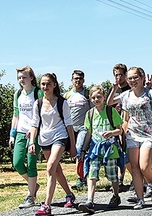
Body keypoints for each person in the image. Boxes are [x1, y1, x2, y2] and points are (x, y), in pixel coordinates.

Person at [28, 73, 76, 216]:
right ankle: (69, 195)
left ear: (54, 85)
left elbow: (69, 125)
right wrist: (32, 142)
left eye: (48, 84)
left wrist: (72, 145)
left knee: (50, 168)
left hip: (60, 137)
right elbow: (34, 125)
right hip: (44, 139)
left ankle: (47, 206)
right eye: (43, 84)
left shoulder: (62, 102)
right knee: (56, 170)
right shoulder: (38, 103)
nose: (45, 87)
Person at [120, 67, 152, 209]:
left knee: (144, 166)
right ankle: (140, 199)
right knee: (135, 167)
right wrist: (123, 134)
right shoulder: (126, 96)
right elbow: (125, 118)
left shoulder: (150, 94)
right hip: (132, 134)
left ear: (142, 78)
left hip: (148, 134)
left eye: (135, 77)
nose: (133, 81)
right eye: (130, 78)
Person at [77, 85, 124, 214]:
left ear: (104, 97)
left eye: (99, 97)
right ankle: (90, 200)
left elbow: (120, 129)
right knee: (92, 173)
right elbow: (88, 133)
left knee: (112, 174)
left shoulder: (111, 111)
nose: (96, 99)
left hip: (110, 149)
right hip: (95, 149)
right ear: (90, 99)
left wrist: (111, 132)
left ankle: (115, 195)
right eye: (93, 97)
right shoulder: (90, 114)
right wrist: (83, 150)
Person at [9, 66, 43, 209]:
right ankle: (34, 185)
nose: (21, 80)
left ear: (31, 78)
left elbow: (43, 113)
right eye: (19, 78)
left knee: (31, 164)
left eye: (23, 77)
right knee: (17, 163)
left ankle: (31, 197)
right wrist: (12, 134)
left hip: (34, 133)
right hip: (21, 133)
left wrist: (35, 131)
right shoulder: (18, 94)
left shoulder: (38, 93)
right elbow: (16, 115)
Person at [64, 70, 93, 190]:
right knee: (77, 154)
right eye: (75, 78)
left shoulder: (87, 94)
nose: (78, 80)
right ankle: (83, 176)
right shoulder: (67, 95)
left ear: (83, 80)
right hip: (71, 128)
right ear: (71, 80)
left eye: (80, 78)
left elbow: (93, 111)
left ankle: (82, 178)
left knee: (80, 150)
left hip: (84, 128)